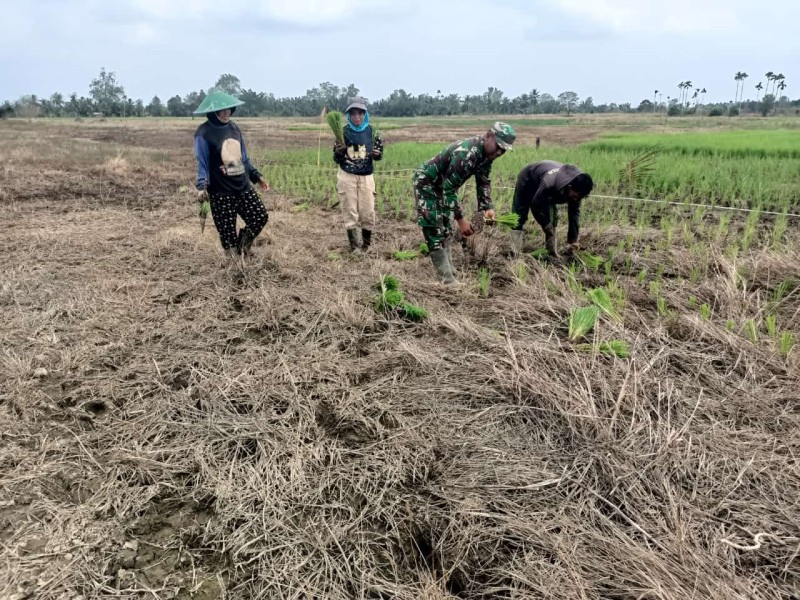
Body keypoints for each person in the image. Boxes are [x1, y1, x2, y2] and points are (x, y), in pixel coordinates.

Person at [413, 122, 516, 284]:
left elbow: (483, 180)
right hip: (427, 183)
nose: (498, 152)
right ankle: (446, 279)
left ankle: (450, 269)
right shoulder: (468, 154)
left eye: (503, 150)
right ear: (488, 135)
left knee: (446, 226)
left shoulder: (486, 155)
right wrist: (461, 220)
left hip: (442, 186)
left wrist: (487, 206)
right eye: (497, 146)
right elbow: (449, 189)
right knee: (433, 224)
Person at [193, 90, 270, 257]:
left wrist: (256, 176)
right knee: (228, 235)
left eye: (229, 109)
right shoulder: (203, 133)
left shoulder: (234, 128)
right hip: (221, 192)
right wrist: (202, 186)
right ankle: (234, 263)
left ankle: (244, 246)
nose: (227, 113)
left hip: (243, 187)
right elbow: (202, 162)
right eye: (222, 110)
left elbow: (243, 158)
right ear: (213, 112)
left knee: (260, 216)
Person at [509, 161, 594, 261]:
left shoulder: (578, 188)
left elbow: (574, 214)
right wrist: (545, 223)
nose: (576, 199)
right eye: (575, 196)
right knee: (519, 215)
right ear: (569, 187)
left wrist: (573, 240)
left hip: (548, 188)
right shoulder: (549, 183)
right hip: (528, 180)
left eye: (579, 197)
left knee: (552, 218)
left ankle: (551, 252)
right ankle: (515, 251)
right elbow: (536, 204)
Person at [334, 97, 383, 254]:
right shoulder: (342, 132)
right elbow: (336, 158)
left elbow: (379, 153)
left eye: (360, 113)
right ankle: (354, 246)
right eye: (353, 113)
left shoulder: (372, 132)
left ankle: (366, 246)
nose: (357, 116)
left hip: (366, 177)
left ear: (365, 114)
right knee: (350, 210)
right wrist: (339, 152)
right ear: (349, 115)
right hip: (347, 175)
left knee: (368, 211)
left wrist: (377, 154)